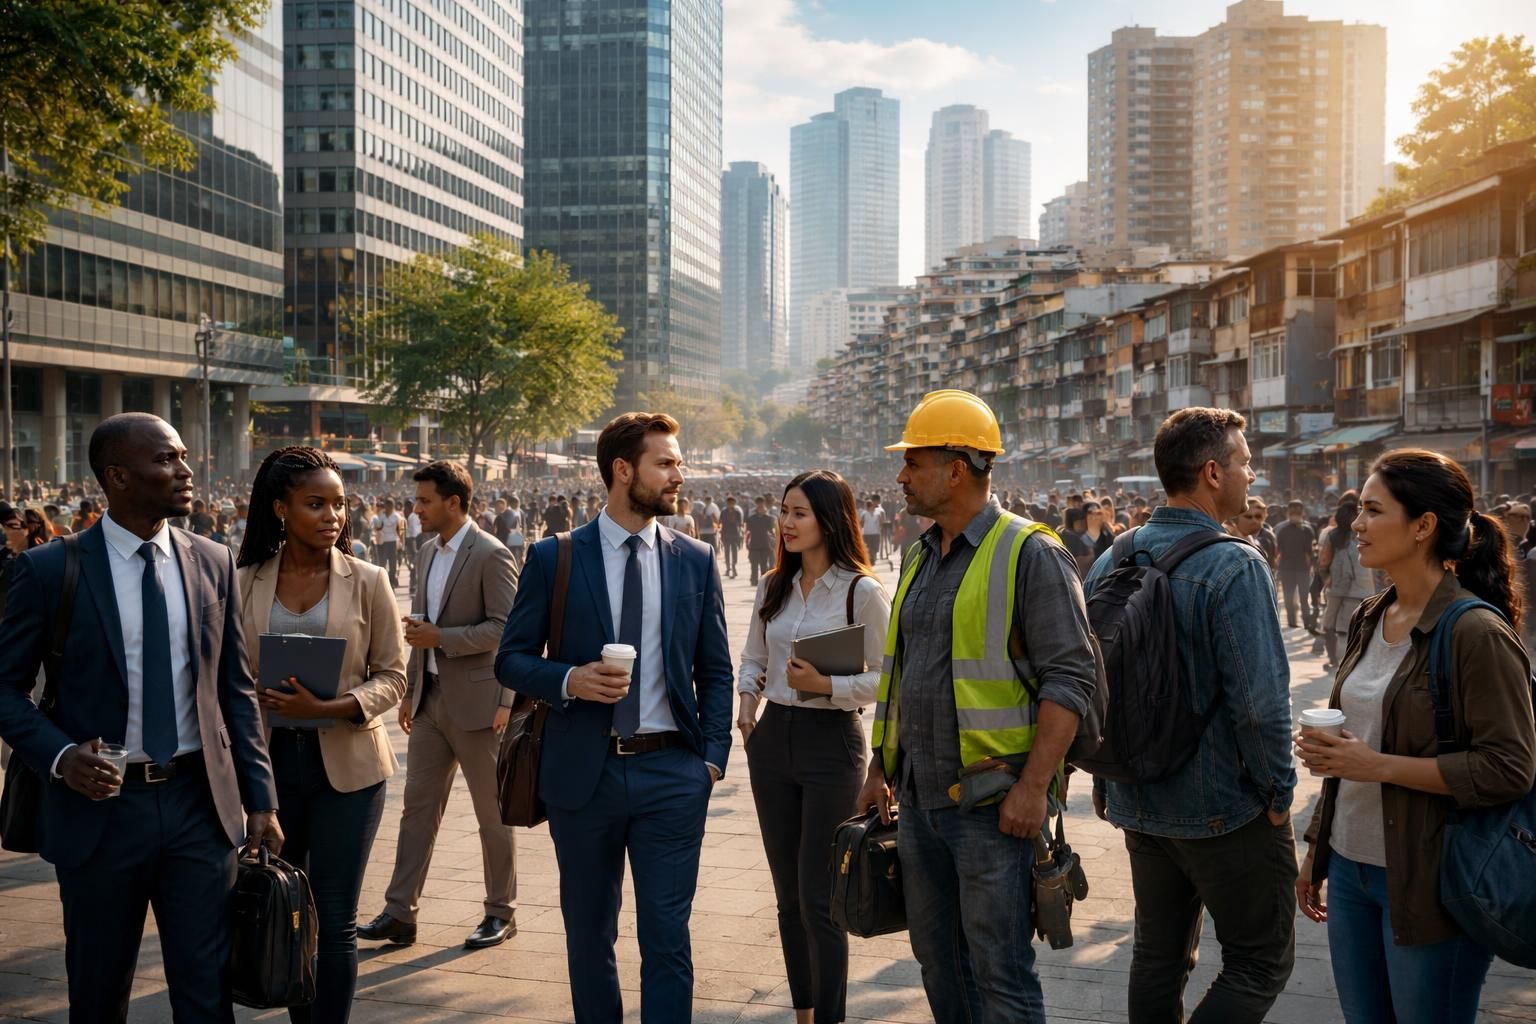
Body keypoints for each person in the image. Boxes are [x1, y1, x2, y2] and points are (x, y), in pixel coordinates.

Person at [0, 412, 282, 1022]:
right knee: (99, 993)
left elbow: (236, 690)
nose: (186, 471)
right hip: (100, 813)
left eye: (183, 456)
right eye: (167, 460)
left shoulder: (212, 561)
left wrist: (261, 799)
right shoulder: (50, 569)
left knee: (207, 994)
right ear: (118, 476)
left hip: (199, 809)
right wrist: (58, 754)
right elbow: (4, 690)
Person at [857, 390, 1098, 1023]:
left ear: (957, 468)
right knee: (938, 964)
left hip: (993, 809)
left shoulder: (1031, 554)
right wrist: (880, 767)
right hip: (918, 804)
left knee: (1001, 973)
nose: (901, 477)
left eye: (914, 462)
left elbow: (1071, 680)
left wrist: (1034, 788)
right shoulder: (918, 556)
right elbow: (902, 675)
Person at [496, 411, 733, 1023]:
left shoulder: (695, 559)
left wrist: (709, 760)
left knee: (667, 943)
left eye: (679, 461)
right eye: (667, 462)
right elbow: (511, 660)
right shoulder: (555, 557)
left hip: (672, 776)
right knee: (589, 939)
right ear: (623, 470)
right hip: (583, 777)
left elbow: (716, 669)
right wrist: (570, 679)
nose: (681, 473)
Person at [1295, 451, 1535, 1024]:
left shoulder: (1475, 631)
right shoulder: (1372, 616)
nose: (1356, 523)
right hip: (1351, 870)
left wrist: (1375, 764)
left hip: (1434, 879)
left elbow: (1509, 768)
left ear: (1424, 526)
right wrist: (1317, 848)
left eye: (1374, 511)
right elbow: (1358, 745)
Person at [1084, 408, 1297, 1024]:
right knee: (1260, 963)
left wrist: (1107, 777)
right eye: (1245, 464)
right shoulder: (1236, 563)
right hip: (1222, 808)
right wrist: (1278, 793)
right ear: (1212, 472)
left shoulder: (1113, 558)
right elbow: (1261, 707)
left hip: (1138, 798)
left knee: (1157, 955)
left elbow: (1100, 686)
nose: (1251, 475)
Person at [235, 447, 407, 1023]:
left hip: (350, 767)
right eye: (316, 503)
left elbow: (394, 676)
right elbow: (224, 675)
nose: (333, 515)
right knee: (285, 905)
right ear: (280, 508)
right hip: (270, 765)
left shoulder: (369, 579)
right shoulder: (241, 581)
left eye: (339, 503)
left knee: (334, 915)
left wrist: (332, 704)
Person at [737, 472, 891, 1024]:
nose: (786, 522)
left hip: (833, 745)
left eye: (799, 512)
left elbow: (892, 677)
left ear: (830, 518)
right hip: (773, 739)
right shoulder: (772, 584)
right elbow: (755, 655)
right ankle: (802, 1013)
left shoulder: (861, 591)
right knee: (786, 898)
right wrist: (747, 705)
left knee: (820, 898)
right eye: (784, 511)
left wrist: (831, 687)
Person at [356, 462, 518, 951]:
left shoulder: (492, 554)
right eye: (416, 500)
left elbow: (507, 630)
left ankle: (500, 911)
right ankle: (401, 911)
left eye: (424, 501)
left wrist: (507, 700)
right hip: (428, 702)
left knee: (493, 814)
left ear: (454, 502)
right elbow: (421, 626)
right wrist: (409, 689)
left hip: (480, 705)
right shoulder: (426, 552)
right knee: (416, 811)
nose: (415, 509)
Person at [1320, 502, 1374, 670]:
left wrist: (1326, 577)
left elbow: (1323, 562)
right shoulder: (1366, 534)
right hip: (1362, 589)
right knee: (1351, 628)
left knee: (1332, 626)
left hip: (1339, 589)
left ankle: (1336, 660)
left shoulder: (1333, 536)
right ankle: (1347, 661)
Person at [1276, 499, 1318, 631]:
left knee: (1302, 598)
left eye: (1296, 511)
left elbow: (1311, 551)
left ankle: (1300, 622)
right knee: (1296, 598)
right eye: (1292, 511)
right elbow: (1278, 551)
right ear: (1288, 512)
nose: (1294, 514)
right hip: (1292, 569)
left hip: (1297, 569)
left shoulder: (1306, 529)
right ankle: (1298, 622)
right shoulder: (1303, 529)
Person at [370, 496, 405, 590]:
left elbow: (400, 530)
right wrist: (376, 522)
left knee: (393, 564)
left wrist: (401, 542)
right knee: (383, 563)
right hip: (384, 541)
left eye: (390, 505)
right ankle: (384, 583)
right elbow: (378, 526)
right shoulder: (382, 515)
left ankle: (392, 582)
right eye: (387, 505)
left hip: (393, 541)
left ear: (392, 506)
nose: (388, 507)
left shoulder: (397, 516)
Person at [747, 496, 778, 585]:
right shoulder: (751, 518)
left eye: (761, 502)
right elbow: (748, 531)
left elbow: (772, 531)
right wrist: (747, 542)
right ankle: (754, 580)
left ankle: (763, 581)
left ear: (764, 503)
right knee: (754, 564)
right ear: (756, 504)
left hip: (765, 544)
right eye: (758, 503)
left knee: (764, 564)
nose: (760, 505)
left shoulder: (769, 518)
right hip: (754, 544)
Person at [719, 494, 744, 579]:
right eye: (729, 502)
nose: (730, 504)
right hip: (725, 534)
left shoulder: (737, 512)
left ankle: (733, 567)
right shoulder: (723, 512)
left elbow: (741, 524)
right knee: (726, 552)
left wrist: (741, 534)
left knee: (734, 552)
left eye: (732, 502)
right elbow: (720, 522)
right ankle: (727, 568)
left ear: (734, 503)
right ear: (727, 503)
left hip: (734, 534)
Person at [858, 496, 884, 563]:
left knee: (875, 547)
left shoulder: (878, 513)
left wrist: (880, 528)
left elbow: (881, 522)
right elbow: (861, 523)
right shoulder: (864, 514)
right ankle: (871, 558)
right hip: (867, 533)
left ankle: (873, 557)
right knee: (869, 547)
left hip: (876, 533)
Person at [698, 492, 720, 557]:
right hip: (706, 531)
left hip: (708, 531)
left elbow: (716, 518)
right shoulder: (705, 507)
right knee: (709, 547)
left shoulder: (711, 507)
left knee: (709, 547)